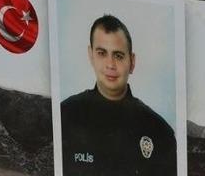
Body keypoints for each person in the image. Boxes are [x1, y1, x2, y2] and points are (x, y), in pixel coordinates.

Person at [61, 14, 176, 175]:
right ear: (91, 55)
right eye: (102, 53)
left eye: (118, 56)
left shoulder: (159, 131)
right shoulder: (65, 115)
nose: (110, 65)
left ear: (132, 62)